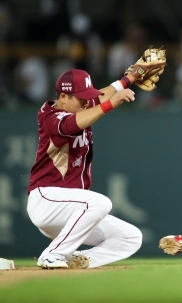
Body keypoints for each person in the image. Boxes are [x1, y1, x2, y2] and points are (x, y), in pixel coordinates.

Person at [26, 59, 163, 269]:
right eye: (81, 98)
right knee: (100, 203)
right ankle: (53, 254)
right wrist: (111, 104)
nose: (85, 102)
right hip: (47, 200)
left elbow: (101, 95)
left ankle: (78, 260)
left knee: (130, 237)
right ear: (63, 96)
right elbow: (74, 123)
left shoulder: (78, 105)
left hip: (73, 210)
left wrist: (130, 79)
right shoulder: (50, 117)